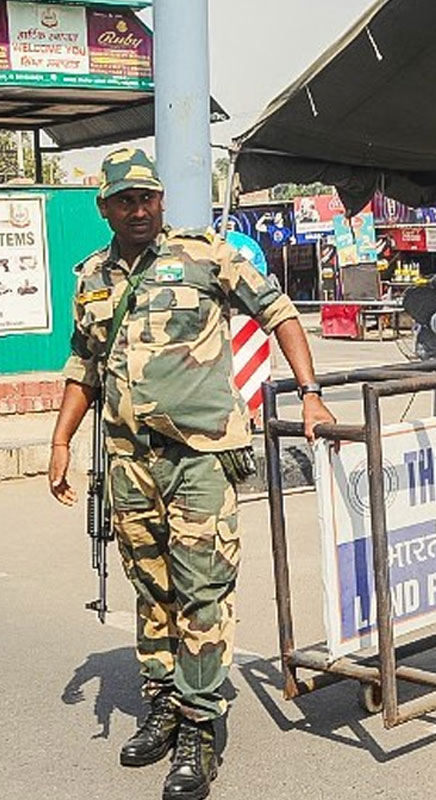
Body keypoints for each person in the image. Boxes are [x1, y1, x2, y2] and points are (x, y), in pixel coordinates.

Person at [48, 148, 336, 800]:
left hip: (201, 457)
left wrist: (310, 392)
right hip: (128, 460)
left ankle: (200, 728)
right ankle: (164, 704)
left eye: (148, 197)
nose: (141, 208)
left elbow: (279, 314)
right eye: (127, 200)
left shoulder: (204, 256)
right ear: (106, 208)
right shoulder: (92, 276)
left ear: (160, 201)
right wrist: (61, 440)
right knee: (153, 592)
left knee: (202, 590)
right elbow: (83, 364)